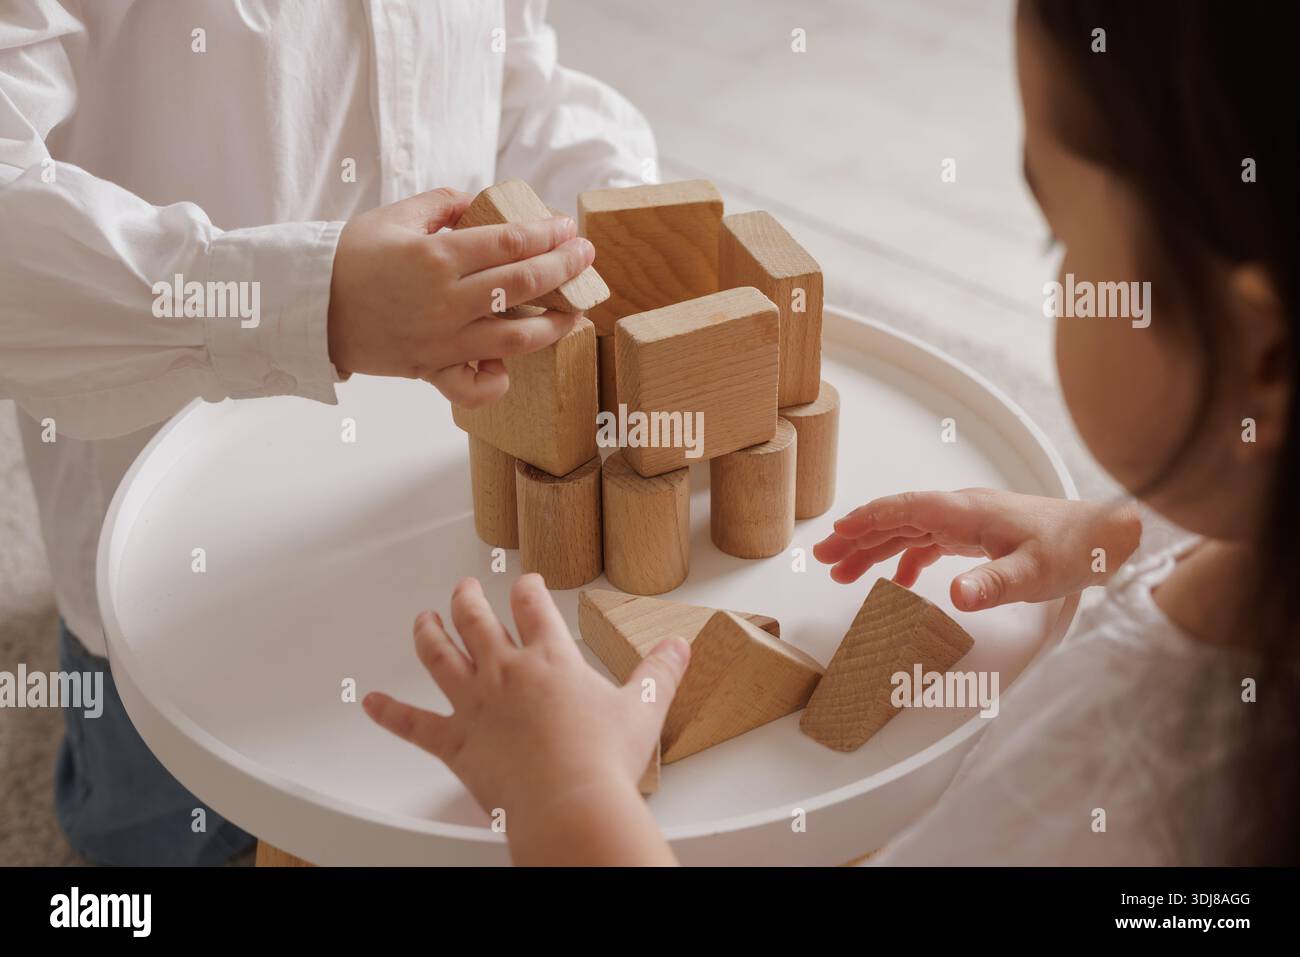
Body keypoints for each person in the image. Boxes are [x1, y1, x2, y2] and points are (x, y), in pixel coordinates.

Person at [365, 0, 1297, 866]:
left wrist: (568, 801)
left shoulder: (1116, 767)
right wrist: (1118, 541)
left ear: (1263, 358)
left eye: (1059, 241)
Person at [0, 0, 655, 865]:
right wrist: (315, 301)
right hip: (172, 561)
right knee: (157, 834)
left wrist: (623, 222)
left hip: (432, 493)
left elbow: (516, 78)